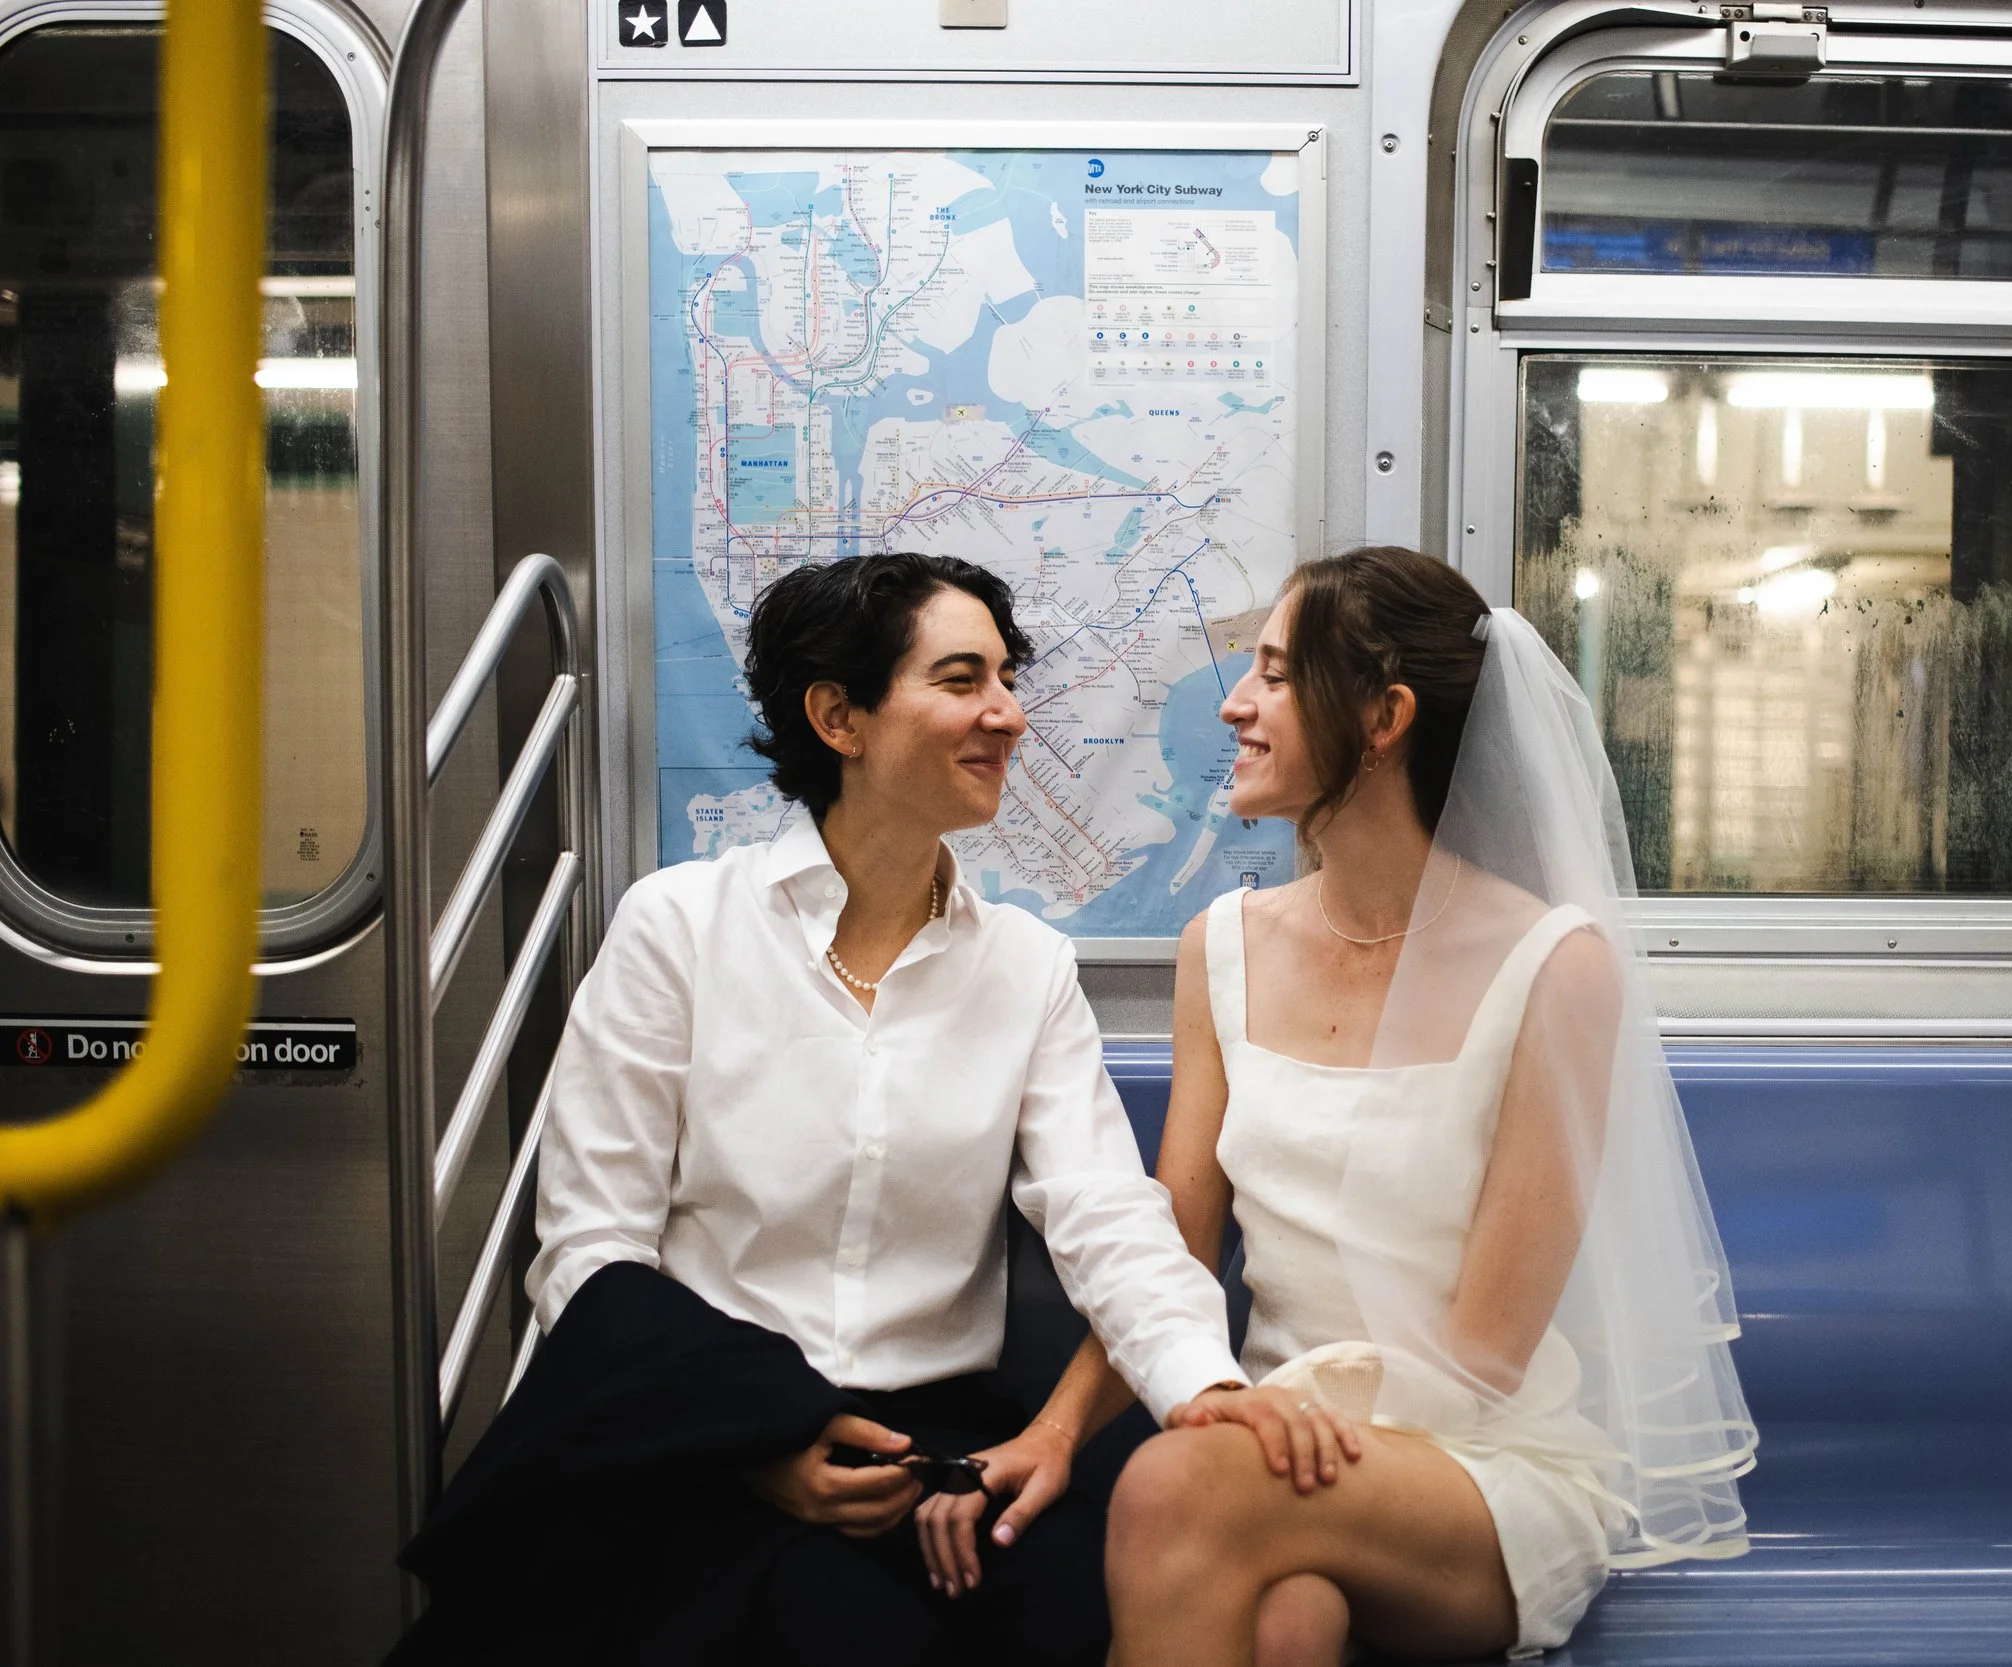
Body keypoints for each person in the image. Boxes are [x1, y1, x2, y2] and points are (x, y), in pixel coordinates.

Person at [390, 552, 1342, 1667]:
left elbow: (1106, 1216)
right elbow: (591, 1253)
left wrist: (1203, 1387)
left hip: (928, 1450)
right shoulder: (678, 928)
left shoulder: (1026, 965)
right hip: (701, 1435)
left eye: (1004, 676)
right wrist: (759, 1444)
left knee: (1117, 1610)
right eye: (960, 679)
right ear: (837, 716)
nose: (1008, 714)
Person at [1098, 547, 1760, 1665]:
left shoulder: (1555, 964)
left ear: (1383, 714)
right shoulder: (1222, 947)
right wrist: (1068, 1431)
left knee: (1175, 1486)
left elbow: (1489, 1351)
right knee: (1285, 1623)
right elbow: (1172, 1246)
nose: (1234, 703)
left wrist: (1265, 1424)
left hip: (1480, 1466)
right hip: (1272, 1455)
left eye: (1272, 671)